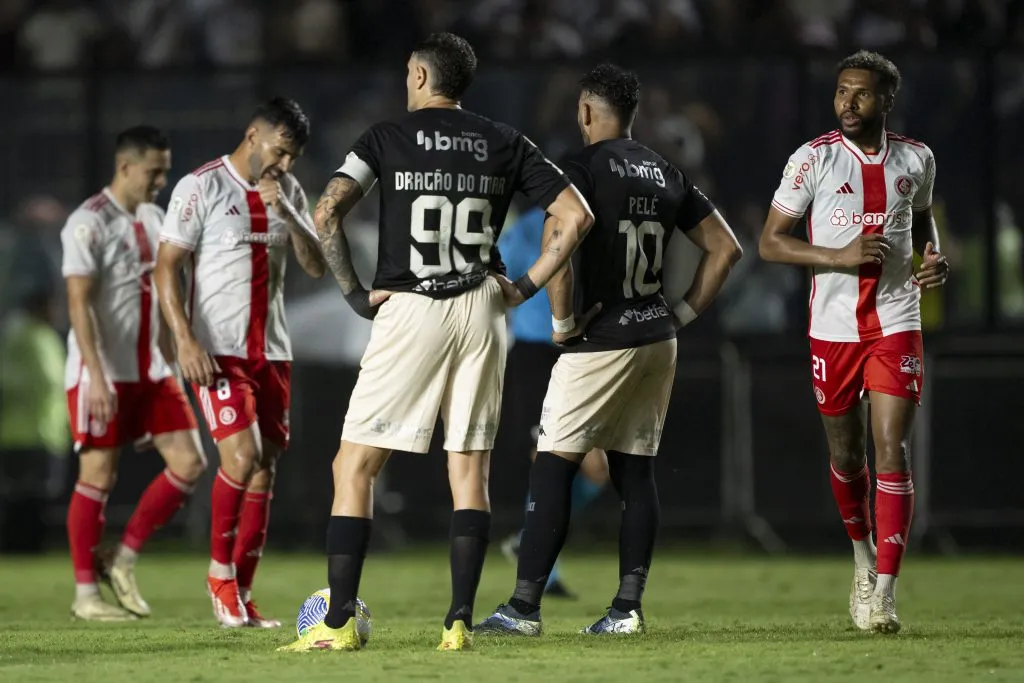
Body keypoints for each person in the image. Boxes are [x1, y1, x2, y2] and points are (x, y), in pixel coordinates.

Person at [278, 32, 593, 653]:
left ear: (420, 76)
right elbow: (575, 215)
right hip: (480, 307)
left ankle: (338, 623)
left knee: (355, 466)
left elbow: (325, 212)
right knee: (469, 470)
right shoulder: (504, 140)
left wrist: (351, 293)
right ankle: (457, 623)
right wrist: (525, 285)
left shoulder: (385, 138)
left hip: (411, 304)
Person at [476, 63, 742, 637]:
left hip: (600, 341)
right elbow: (725, 249)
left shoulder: (577, 169)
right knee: (634, 472)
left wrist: (564, 322)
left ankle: (523, 608)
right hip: (656, 337)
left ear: (587, 111)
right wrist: (682, 314)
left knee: (551, 465)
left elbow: (561, 245)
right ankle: (626, 609)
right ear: (633, 114)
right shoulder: (666, 170)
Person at [759, 50, 950, 634]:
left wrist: (932, 257)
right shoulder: (812, 159)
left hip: (896, 319)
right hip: (833, 329)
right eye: (842, 91)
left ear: (887, 99)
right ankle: (862, 559)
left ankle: (886, 592)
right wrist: (836, 256)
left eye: (861, 93)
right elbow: (770, 242)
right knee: (846, 455)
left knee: (891, 449)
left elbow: (920, 222)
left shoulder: (917, 158)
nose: (847, 102)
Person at [155, 97, 327, 628]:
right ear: (253, 135)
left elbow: (315, 265)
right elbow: (167, 269)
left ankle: (243, 592)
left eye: (294, 157)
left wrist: (293, 214)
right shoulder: (201, 185)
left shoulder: (289, 193)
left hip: (272, 351)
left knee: (264, 467)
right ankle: (218, 576)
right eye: (280, 151)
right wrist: (184, 340)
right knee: (242, 456)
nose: (285, 165)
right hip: (218, 352)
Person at [60, 126, 207, 621]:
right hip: (102, 373)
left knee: (189, 463)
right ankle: (85, 596)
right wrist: (96, 376)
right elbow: (78, 304)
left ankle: (121, 557)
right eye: (155, 170)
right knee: (98, 473)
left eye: (166, 169)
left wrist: (174, 354)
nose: (162, 179)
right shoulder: (88, 222)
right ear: (126, 167)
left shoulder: (155, 216)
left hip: (154, 370)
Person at [497, 205, 609, 599]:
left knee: (597, 470)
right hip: (534, 354)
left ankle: (530, 535)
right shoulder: (526, 229)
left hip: (577, 352)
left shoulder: (592, 221)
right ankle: (545, 570)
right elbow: (498, 277)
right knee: (546, 461)